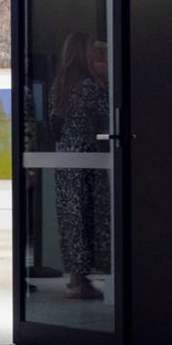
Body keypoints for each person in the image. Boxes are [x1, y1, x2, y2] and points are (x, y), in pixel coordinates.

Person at [51, 33, 110, 300]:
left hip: (65, 159)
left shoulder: (60, 84)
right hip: (85, 156)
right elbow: (110, 109)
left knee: (72, 220)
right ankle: (80, 280)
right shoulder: (88, 86)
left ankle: (75, 278)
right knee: (87, 218)